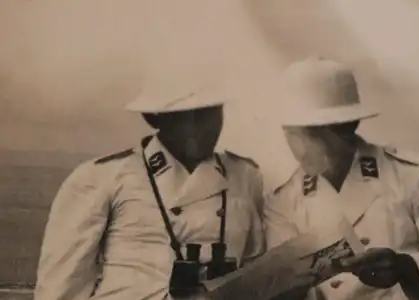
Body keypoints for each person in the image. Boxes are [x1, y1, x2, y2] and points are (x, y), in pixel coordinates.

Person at [263, 56, 419, 300]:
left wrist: (407, 267)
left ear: (347, 127)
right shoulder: (283, 201)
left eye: (312, 132)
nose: (299, 147)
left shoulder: (415, 176)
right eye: (291, 132)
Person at [34, 81, 265, 300]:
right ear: (155, 119)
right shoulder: (101, 179)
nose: (199, 126)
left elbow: (259, 274)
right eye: (185, 115)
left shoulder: (245, 177)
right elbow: (61, 288)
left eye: (209, 112)